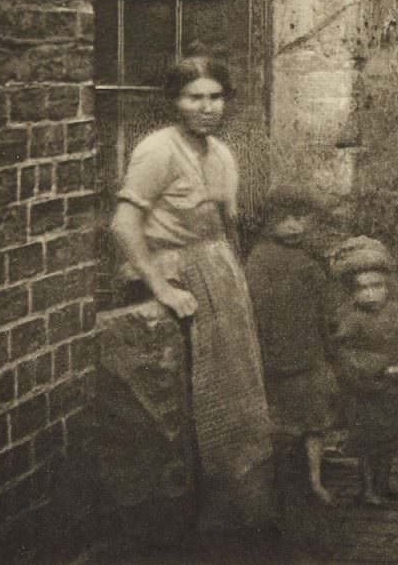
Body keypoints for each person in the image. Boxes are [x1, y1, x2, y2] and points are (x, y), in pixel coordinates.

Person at [110, 49, 278, 545]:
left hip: (219, 272)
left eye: (215, 97)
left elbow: (226, 227)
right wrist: (161, 286)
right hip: (171, 270)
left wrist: (236, 281)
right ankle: (177, 518)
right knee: (184, 397)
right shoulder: (157, 150)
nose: (206, 107)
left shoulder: (223, 154)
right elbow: (123, 224)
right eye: (193, 98)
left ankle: (236, 510)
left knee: (237, 390)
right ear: (174, 102)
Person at [246, 190, 347, 511]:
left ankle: (313, 479)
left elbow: (327, 310)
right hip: (276, 351)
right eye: (284, 220)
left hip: (307, 350)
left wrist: (330, 343)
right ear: (267, 224)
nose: (294, 226)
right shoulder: (260, 259)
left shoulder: (306, 259)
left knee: (311, 418)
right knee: (289, 419)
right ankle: (293, 480)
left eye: (300, 219)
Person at [330, 236, 398, 507]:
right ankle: (367, 488)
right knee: (369, 441)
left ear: (387, 286)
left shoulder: (397, 311)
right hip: (370, 390)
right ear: (352, 291)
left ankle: (383, 484)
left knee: (390, 440)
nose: (369, 294)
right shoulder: (351, 318)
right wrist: (372, 368)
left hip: (397, 389)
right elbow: (344, 352)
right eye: (362, 288)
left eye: (376, 286)